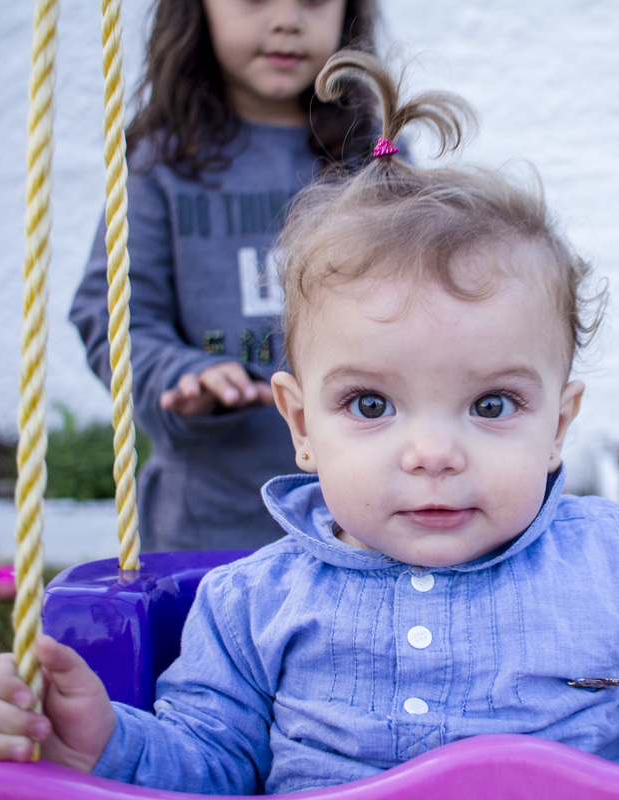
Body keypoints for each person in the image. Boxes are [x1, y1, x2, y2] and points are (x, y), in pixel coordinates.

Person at [0, 52, 619, 800]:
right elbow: (210, 761)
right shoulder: (253, 606)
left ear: (560, 424)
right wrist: (102, 744)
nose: (432, 451)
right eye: (370, 405)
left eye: (492, 404)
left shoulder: (616, 565)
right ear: (301, 423)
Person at [68, 0, 383, 551]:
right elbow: (112, 314)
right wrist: (183, 375)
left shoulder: (373, 152)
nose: (287, 19)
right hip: (210, 520)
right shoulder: (160, 165)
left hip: (362, 518)